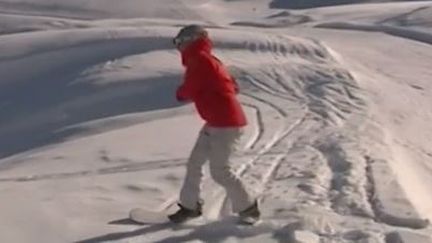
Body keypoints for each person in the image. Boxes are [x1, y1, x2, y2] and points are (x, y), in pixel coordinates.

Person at [168, 25, 260, 224]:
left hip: (226, 124)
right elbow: (231, 85)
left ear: (190, 40)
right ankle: (190, 207)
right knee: (195, 163)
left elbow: (191, 88)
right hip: (216, 122)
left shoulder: (200, 60)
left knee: (220, 171)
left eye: (180, 42)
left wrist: (181, 93)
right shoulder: (206, 59)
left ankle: (249, 208)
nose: (179, 47)